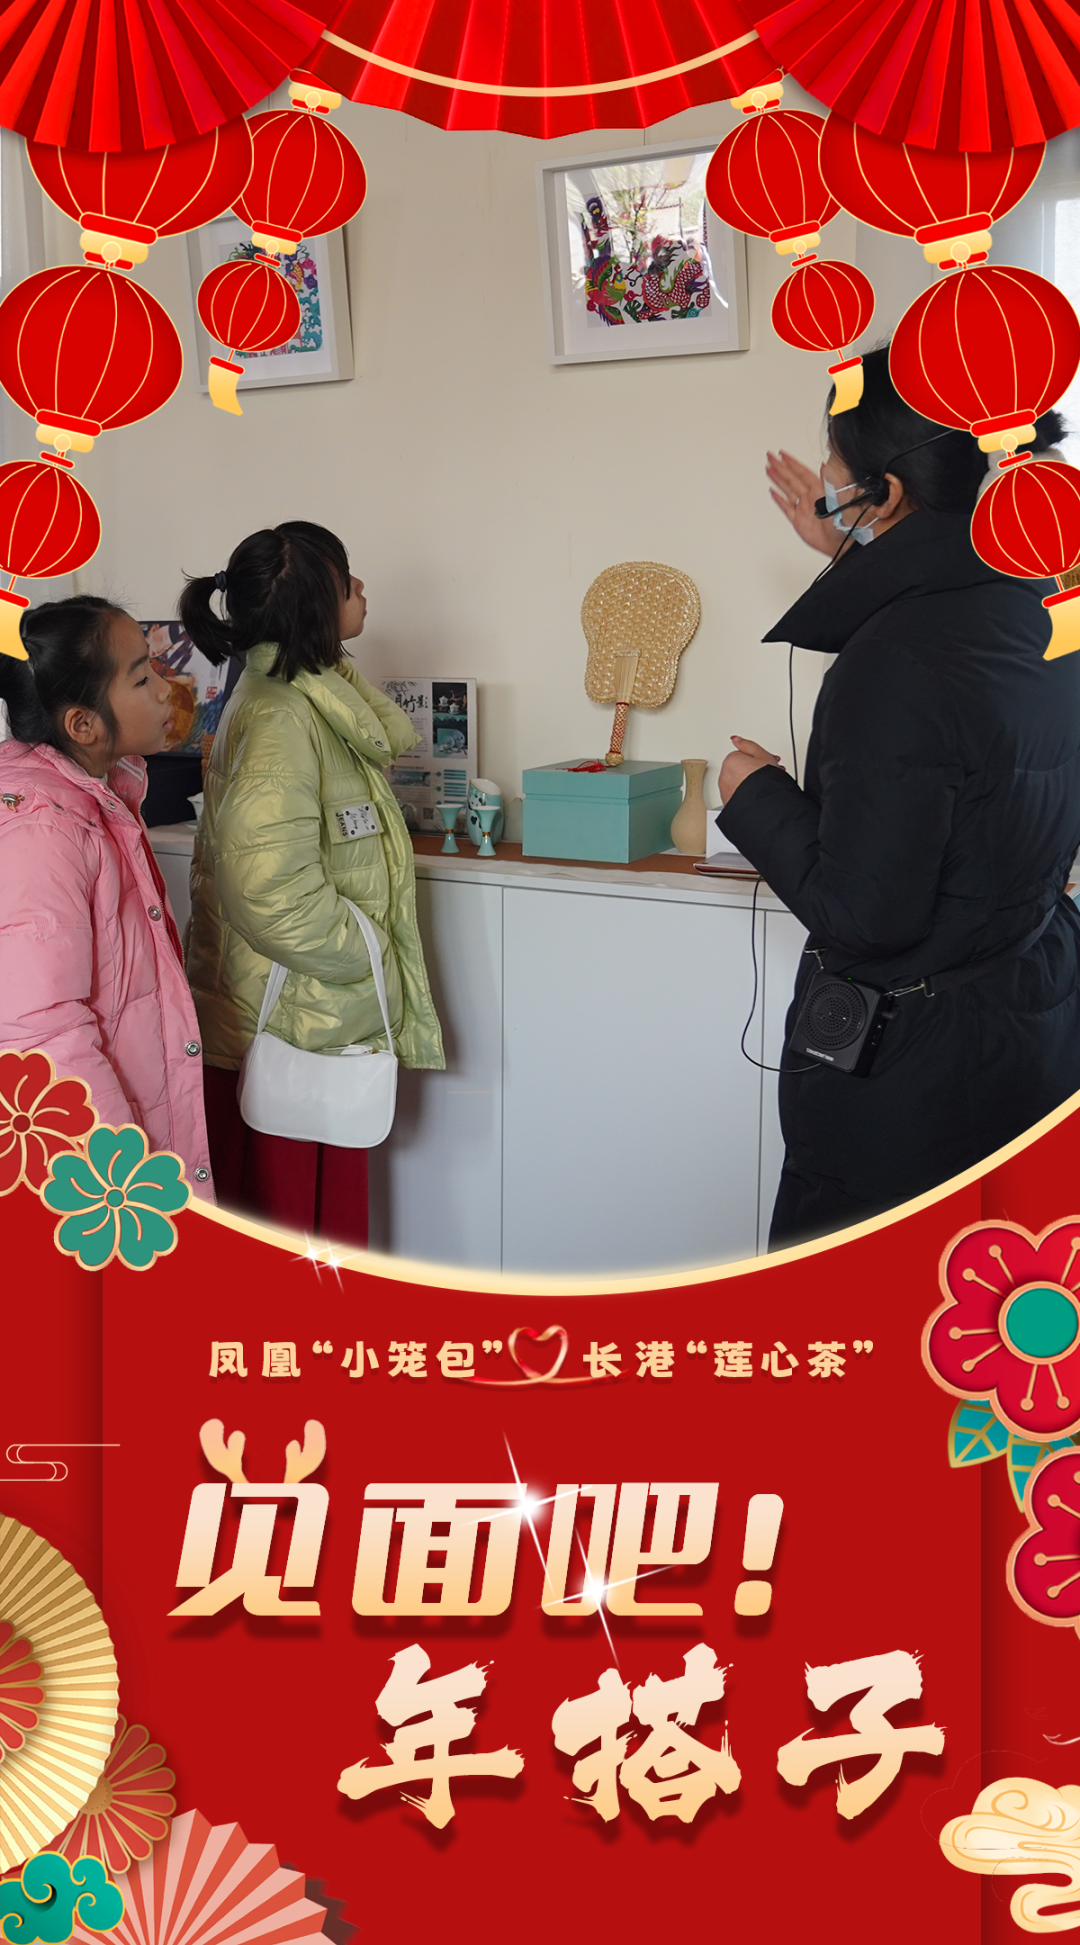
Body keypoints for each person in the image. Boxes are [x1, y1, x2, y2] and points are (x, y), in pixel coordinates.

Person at [717, 347, 1080, 1248]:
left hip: (915, 1073)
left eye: (837, 470)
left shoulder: (897, 660)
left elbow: (866, 914)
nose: (825, 483)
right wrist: (855, 545)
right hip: (1030, 1020)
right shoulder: (1043, 602)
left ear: (883, 494)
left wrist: (754, 794)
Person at [182, 521, 444, 1249]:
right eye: (345, 579)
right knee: (290, 1238)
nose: (362, 588)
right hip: (291, 1024)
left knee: (316, 1243)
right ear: (313, 606)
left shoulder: (306, 700)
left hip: (310, 1016)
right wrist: (366, 954)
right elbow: (268, 889)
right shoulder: (280, 715)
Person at [0, 597, 214, 1197]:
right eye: (142, 678)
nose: (166, 689)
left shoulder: (99, 800)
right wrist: (126, 1180)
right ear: (83, 725)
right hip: (107, 1172)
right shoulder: (43, 828)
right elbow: (41, 1037)